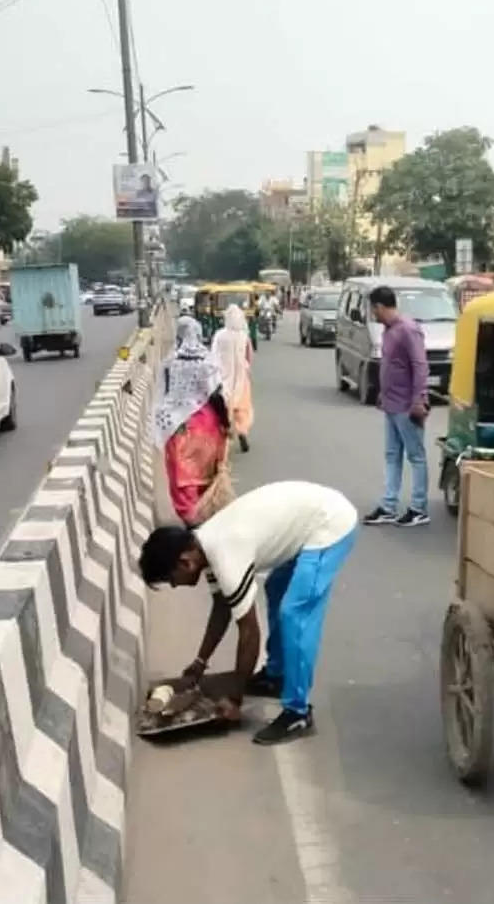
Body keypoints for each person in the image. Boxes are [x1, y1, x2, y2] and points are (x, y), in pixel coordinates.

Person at [138, 482, 358, 745]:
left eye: (171, 579)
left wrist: (234, 700)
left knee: (294, 613)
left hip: (329, 525)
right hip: (310, 521)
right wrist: (199, 661)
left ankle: (297, 713)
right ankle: (276, 675)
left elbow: (249, 632)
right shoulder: (204, 543)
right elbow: (222, 607)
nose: (174, 585)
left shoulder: (225, 555)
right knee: (276, 588)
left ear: (185, 561)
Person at [151, 317, 232, 526]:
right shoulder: (208, 361)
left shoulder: (169, 363)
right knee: (206, 475)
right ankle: (207, 520)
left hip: (177, 427)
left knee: (182, 478)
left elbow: (163, 394)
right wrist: (226, 423)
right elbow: (216, 395)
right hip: (206, 425)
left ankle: (191, 523)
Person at [362, 286, 430, 526]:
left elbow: (420, 366)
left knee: (416, 456)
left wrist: (418, 400)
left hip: (407, 405)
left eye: (373, 309)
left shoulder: (408, 330)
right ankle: (388, 505)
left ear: (380, 306)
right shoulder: (388, 331)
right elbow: (390, 365)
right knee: (392, 455)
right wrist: (382, 392)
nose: (373, 314)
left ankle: (419, 507)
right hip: (391, 403)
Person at [212, 304, 256, 452]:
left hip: (222, 378)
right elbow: (249, 357)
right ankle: (242, 431)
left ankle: (224, 436)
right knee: (242, 409)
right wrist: (246, 369)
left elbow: (213, 355)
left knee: (222, 408)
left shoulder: (219, 335)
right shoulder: (244, 336)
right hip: (241, 378)